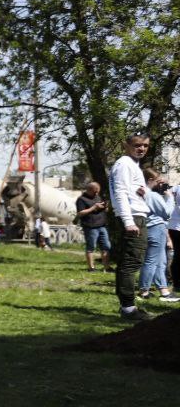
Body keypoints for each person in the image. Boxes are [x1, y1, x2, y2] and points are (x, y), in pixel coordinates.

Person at [109, 132, 152, 321]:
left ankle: (127, 306)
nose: (141, 148)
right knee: (131, 261)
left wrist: (145, 192)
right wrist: (128, 221)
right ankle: (128, 309)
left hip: (137, 216)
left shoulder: (132, 165)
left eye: (145, 145)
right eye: (137, 145)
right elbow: (119, 193)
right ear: (126, 145)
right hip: (133, 218)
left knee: (131, 260)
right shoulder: (124, 164)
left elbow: (130, 192)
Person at [137, 168, 176, 302]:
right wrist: (170, 198)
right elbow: (166, 213)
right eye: (157, 181)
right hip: (156, 228)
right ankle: (144, 290)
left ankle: (164, 291)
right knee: (152, 261)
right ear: (150, 180)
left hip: (148, 227)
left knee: (160, 261)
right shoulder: (152, 195)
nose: (159, 184)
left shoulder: (141, 192)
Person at [75, 181, 111, 271]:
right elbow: (80, 213)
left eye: (98, 191)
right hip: (91, 227)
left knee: (106, 246)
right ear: (89, 190)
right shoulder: (81, 199)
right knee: (91, 247)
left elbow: (105, 210)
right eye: (95, 191)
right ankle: (91, 267)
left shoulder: (98, 197)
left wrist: (105, 207)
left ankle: (106, 267)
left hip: (102, 226)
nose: (97, 193)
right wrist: (93, 207)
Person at [169, 176, 180, 292]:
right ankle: (177, 282)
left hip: (173, 225)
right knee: (178, 256)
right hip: (177, 226)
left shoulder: (175, 188)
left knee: (177, 255)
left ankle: (176, 282)